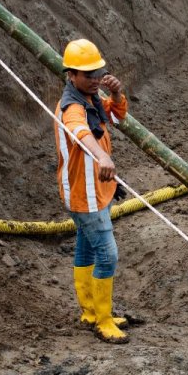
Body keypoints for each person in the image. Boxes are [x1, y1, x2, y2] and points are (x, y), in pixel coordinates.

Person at [55, 38, 131, 343]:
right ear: (71, 75)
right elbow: (80, 131)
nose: (94, 79)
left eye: (97, 73)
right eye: (88, 75)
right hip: (83, 194)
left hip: (98, 190)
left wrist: (116, 93)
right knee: (107, 254)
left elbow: (115, 116)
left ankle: (90, 311)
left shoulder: (92, 98)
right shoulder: (71, 107)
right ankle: (102, 319)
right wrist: (101, 156)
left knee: (86, 248)